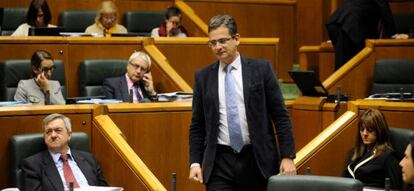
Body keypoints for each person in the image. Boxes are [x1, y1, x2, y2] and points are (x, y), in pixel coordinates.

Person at [188, 15, 296, 191]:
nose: (218, 47)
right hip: (219, 162)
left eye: (222, 41)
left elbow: (280, 115)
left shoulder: (261, 70)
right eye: (213, 43)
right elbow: (197, 125)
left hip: (256, 159)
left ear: (236, 39)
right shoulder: (203, 77)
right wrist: (195, 162)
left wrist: (287, 156)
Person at [20, 113, 108, 191]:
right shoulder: (32, 165)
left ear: (69, 135)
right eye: (48, 132)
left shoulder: (89, 159)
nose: (53, 135)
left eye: (58, 130)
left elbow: (104, 188)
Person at [326, 0, 407, 70]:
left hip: (336, 22)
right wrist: (393, 34)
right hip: (351, 25)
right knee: (351, 67)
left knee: (342, 65)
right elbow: (384, 8)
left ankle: (339, 87)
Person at [343, 108, 402, 189]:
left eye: (370, 130)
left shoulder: (388, 157)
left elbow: (394, 188)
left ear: (379, 130)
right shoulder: (353, 153)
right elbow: (342, 182)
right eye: (362, 129)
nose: (365, 133)